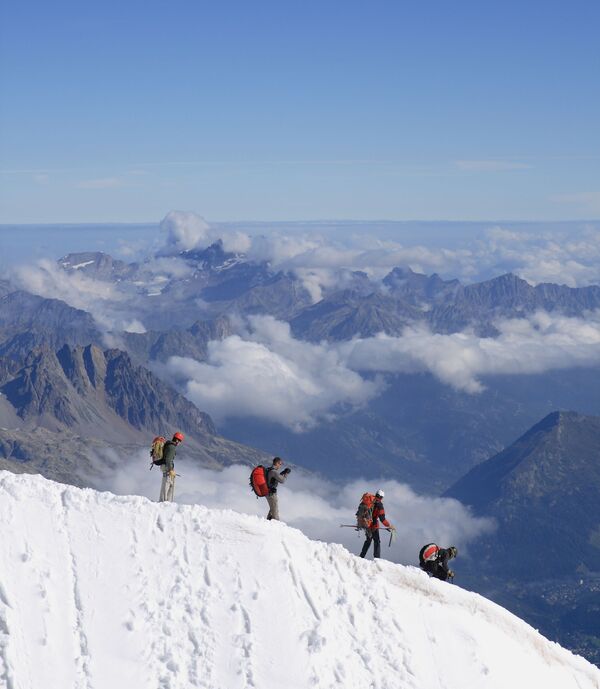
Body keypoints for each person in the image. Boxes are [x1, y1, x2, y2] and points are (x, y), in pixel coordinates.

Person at [360, 489, 395, 559]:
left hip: (366, 524)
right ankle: (377, 559)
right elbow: (382, 519)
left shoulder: (370, 501)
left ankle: (361, 556)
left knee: (368, 540)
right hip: (373, 525)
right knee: (376, 541)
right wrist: (389, 525)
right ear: (382, 497)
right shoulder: (379, 505)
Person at [159, 432, 184, 502]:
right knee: (167, 484)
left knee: (167, 483)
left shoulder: (168, 445)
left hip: (164, 466)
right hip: (167, 468)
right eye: (180, 441)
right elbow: (168, 460)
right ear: (177, 440)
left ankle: (164, 501)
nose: (180, 443)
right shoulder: (172, 447)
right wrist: (170, 470)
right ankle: (164, 502)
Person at [265, 456, 291, 521]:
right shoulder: (274, 472)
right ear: (276, 463)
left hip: (267, 492)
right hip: (271, 493)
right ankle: (276, 524)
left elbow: (274, 478)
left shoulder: (268, 470)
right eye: (280, 464)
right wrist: (286, 473)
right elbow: (282, 480)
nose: (280, 465)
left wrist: (282, 473)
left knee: (272, 508)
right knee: (275, 510)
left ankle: (267, 522)